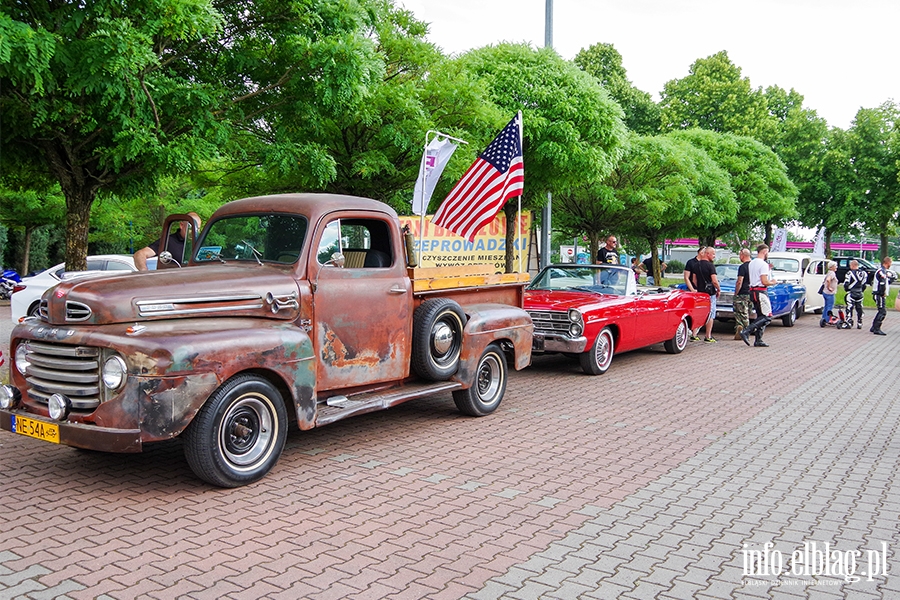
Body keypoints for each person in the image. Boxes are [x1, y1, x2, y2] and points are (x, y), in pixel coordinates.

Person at [134, 212, 201, 271]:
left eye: (197, 229)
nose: (194, 232)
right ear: (181, 225)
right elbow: (140, 254)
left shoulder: (201, 243)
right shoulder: (168, 241)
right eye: (191, 228)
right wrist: (144, 270)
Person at [740, 244, 776, 347]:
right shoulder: (763, 264)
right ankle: (746, 331)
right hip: (760, 291)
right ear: (765, 252)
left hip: (752, 291)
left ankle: (758, 339)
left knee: (760, 315)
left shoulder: (752, 263)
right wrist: (772, 282)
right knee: (767, 316)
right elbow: (764, 281)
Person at [683, 248, 706, 341]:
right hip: (693, 290)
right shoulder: (691, 263)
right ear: (700, 252)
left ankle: (695, 332)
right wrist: (692, 289)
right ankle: (691, 331)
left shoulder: (706, 263)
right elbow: (686, 277)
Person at [870, 257, 897, 336]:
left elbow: (886, 281)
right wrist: (882, 293)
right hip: (879, 294)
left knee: (880, 310)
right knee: (882, 311)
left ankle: (874, 327)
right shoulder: (881, 271)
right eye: (890, 263)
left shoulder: (883, 271)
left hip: (879, 294)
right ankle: (877, 329)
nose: (891, 265)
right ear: (887, 262)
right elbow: (882, 283)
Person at [733, 248, 752, 340]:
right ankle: (744, 331)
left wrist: (736, 293)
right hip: (752, 292)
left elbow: (739, 281)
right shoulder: (754, 266)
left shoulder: (743, 267)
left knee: (740, 313)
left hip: (743, 293)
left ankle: (742, 330)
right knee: (747, 312)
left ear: (742, 255)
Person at [843, 259, 867, 329]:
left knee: (849, 307)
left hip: (851, 293)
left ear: (853, 265)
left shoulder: (849, 273)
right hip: (860, 293)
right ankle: (860, 322)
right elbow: (864, 285)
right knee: (859, 308)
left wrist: (847, 290)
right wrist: (861, 291)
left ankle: (849, 322)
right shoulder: (864, 273)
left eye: (850, 265)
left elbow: (846, 283)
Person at [820, 261, 838, 327]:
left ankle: (823, 319)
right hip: (829, 293)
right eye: (835, 266)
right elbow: (828, 280)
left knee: (826, 306)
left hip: (825, 292)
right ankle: (827, 320)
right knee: (829, 306)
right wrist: (829, 287)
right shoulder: (832, 273)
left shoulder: (829, 272)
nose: (836, 267)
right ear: (832, 267)